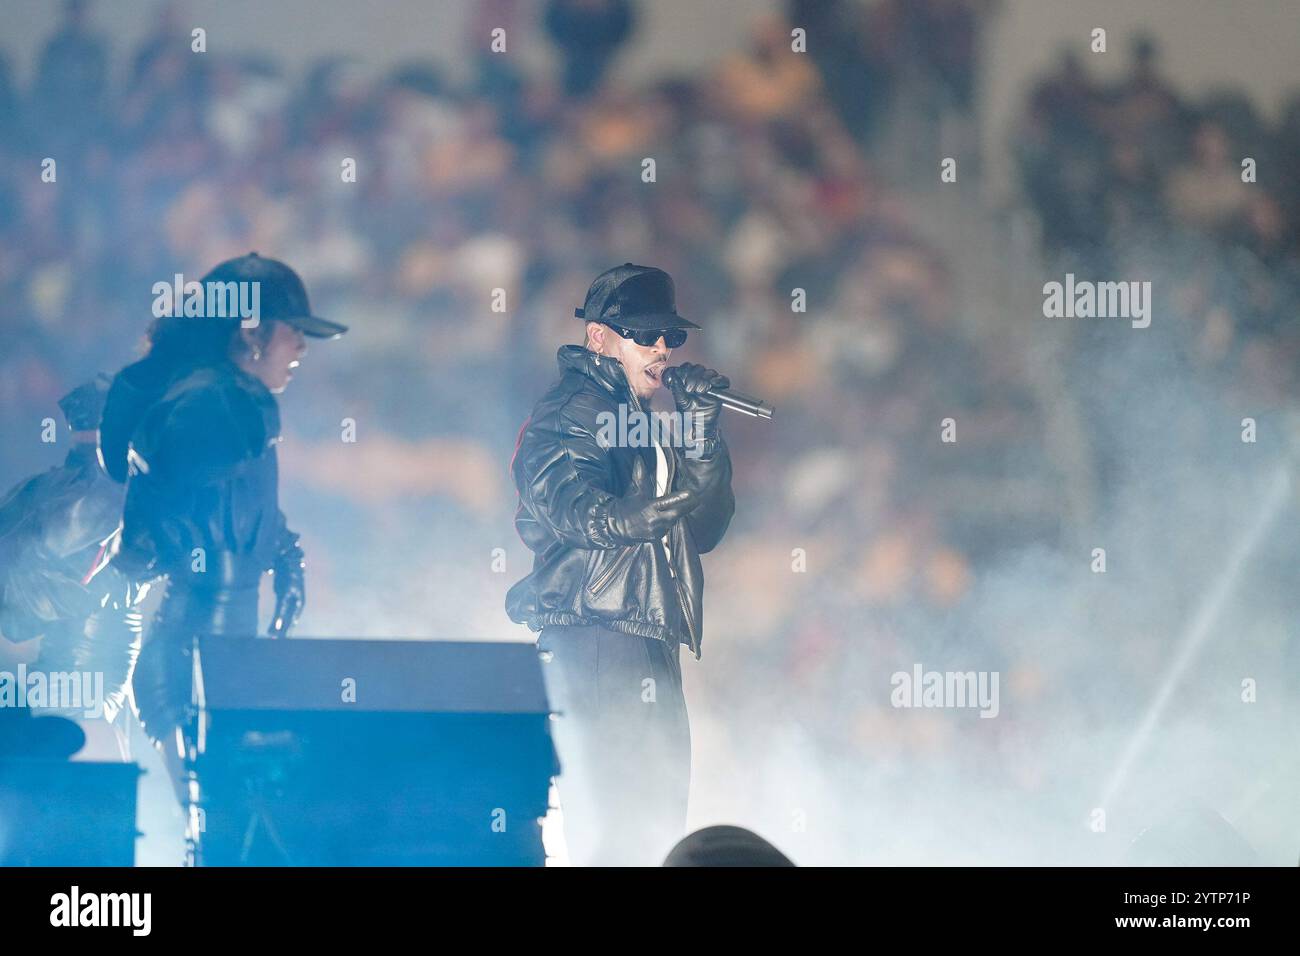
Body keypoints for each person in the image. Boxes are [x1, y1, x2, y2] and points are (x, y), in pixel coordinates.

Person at [99, 253, 346, 824]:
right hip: (190, 664)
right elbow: (167, 499)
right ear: (252, 332)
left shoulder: (220, 398)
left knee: (228, 825)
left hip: (221, 660)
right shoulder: (217, 402)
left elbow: (230, 505)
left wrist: (280, 553)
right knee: (218, 826)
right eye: (295, 332)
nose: (302, 348)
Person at [507, 263, 735, 865]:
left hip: (646, 636)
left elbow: (705, 528)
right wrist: (624, 519)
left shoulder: (648, 422)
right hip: (597, 638)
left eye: (672, 336)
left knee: (655, 825)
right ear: (599, 338)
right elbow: (565, 501)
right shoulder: (572, 409)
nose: (661, 348)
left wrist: (702, 435)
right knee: (618, 827)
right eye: (644, 333)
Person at [0, 376, 141, 758]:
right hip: (89, 650)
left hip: (69, 657)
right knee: (90, 761)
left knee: (77, 760)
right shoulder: (114, 488)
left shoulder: (37, 488)